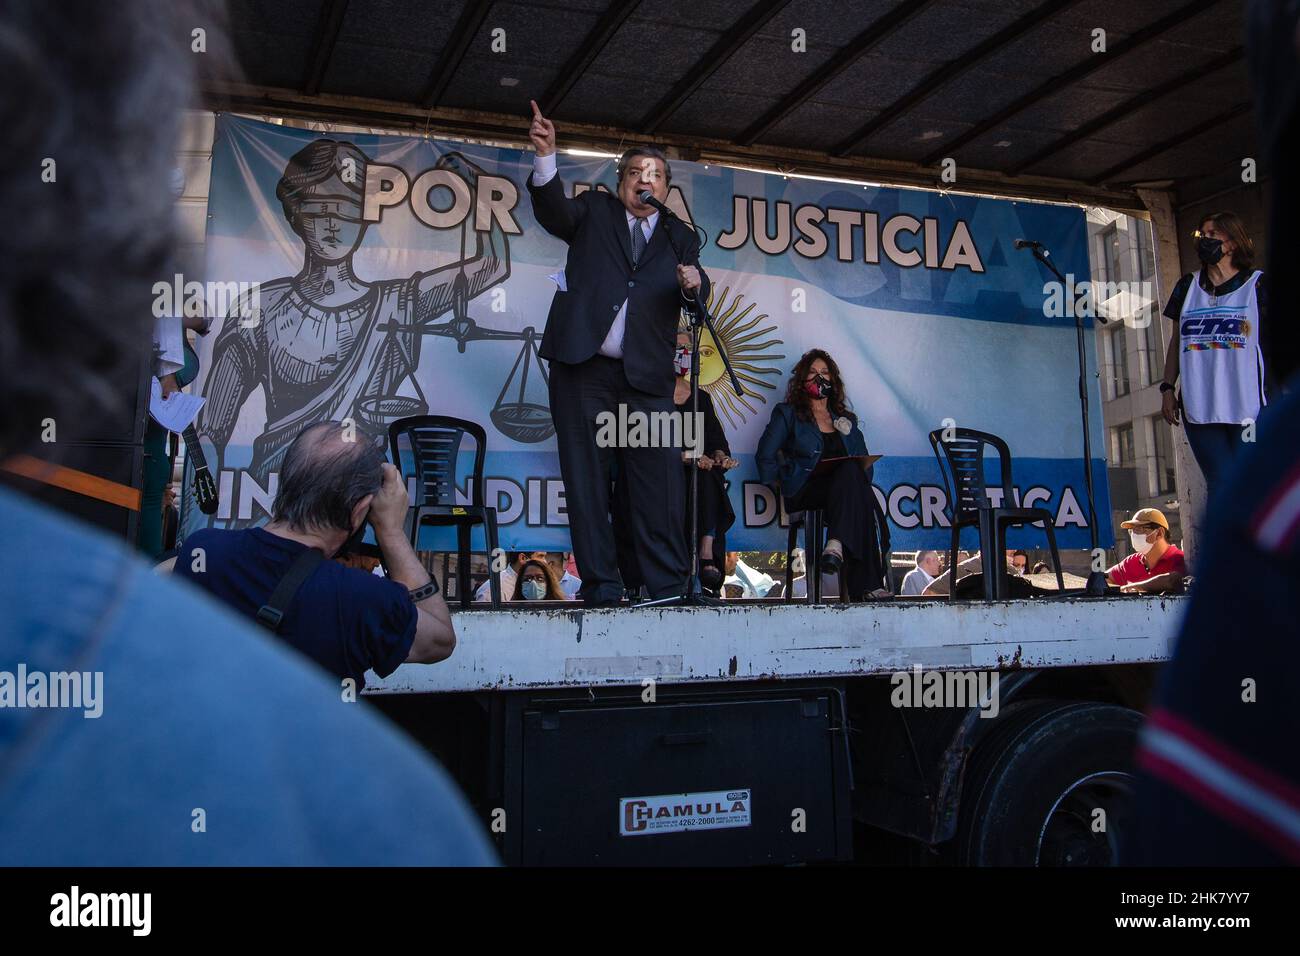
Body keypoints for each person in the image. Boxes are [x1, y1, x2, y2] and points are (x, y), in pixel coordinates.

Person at [0, 0, 493, 865]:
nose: (336, 218)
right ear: (298, 215)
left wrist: (481, 192)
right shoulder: (260, 313)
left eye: (351, 206)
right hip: (285, 514)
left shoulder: (389, 302)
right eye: (320, 205)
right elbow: (212, 426)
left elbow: (483, 268)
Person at [526, 100, 710, 607]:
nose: (642, 182)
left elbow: (698, 294)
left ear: (667, 189)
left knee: (658, 482)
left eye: (653, 176)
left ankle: (668, 587)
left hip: (645, 379)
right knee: (586, 482)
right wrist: (546, 158)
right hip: (583, 371)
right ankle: (604, 588)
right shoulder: (595, 209)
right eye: (634, 173)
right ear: (621, 180)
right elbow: (554, 211)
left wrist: (696, 283)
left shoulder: (680, 236)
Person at [176, 422, 456, 691]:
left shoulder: (203, 552)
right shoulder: (364, 598)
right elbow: (441, 641)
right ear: (359, 512)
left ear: (286, 481)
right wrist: (391, 531)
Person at [757, 349, 891, 601]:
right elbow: (764, 456)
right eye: (813, 373)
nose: (820, 378)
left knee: (853, 475)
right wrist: (782, 483)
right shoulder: (788, 413)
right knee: (858, 493)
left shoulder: (846, 419)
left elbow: (865, 466)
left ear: (834, 380)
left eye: (825, 373)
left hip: (843, 493)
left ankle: (836, 544)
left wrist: (848, 439)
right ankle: (868, 584)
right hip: (807, 491)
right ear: (802, 381)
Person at [1160, 211, 1268, 500]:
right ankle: (1226, 544)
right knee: (1219, 484)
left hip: (1247, 404)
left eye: (1212, 235)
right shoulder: (1187, 286)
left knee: (1251, 481)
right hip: (1200, 405)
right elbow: (1176, 341)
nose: (1204, 240)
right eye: (1201, 235)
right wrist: (1168, 387)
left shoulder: (1257, 285)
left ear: (1232, 243)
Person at [671, 329, 737, 590]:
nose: (683, 355)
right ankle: (701, 558)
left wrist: (721, 457)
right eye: (677, 348)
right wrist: (688, 457)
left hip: (701, 475)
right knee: (702, 478)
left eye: (688, 350)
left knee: (708, 478)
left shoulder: (702, 398)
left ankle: (706, 551)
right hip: (664, 474)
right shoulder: (651, 397)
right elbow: (645, 446)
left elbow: (717, 443)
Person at [1104, 507, 1187, 593]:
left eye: (1140, 529)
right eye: (1132, 531)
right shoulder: (1131, 562)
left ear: (1159, 533)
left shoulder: (1180, 558)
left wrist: (1131, 587)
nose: (1134, 535)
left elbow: (1173, 580)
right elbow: (1103, 579)